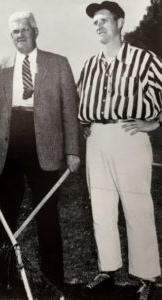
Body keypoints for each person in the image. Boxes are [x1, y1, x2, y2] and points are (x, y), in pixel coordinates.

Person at [0, 11, 80, 291]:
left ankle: (52, 279)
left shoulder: (58, 64)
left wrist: (72, 150)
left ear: (35, 31)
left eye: (24, 30)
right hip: (7, 146)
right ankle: (3, 279)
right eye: (14, 32)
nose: (19, 35)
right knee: (4, 215)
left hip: (44, 146)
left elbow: (69, 111)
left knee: (47, 213)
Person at [78, 1, 162, 299]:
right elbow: (83, 103)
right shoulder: (89, 64)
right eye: (95, 23)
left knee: (137, 208)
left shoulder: (144, 59)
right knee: (101, 208)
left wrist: (152, 123)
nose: (98, 26)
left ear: (120, 22)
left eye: (104, 20)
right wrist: (88, 125)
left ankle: (148, 276)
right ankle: (107, 270)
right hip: (97, 139)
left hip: (129, 135)